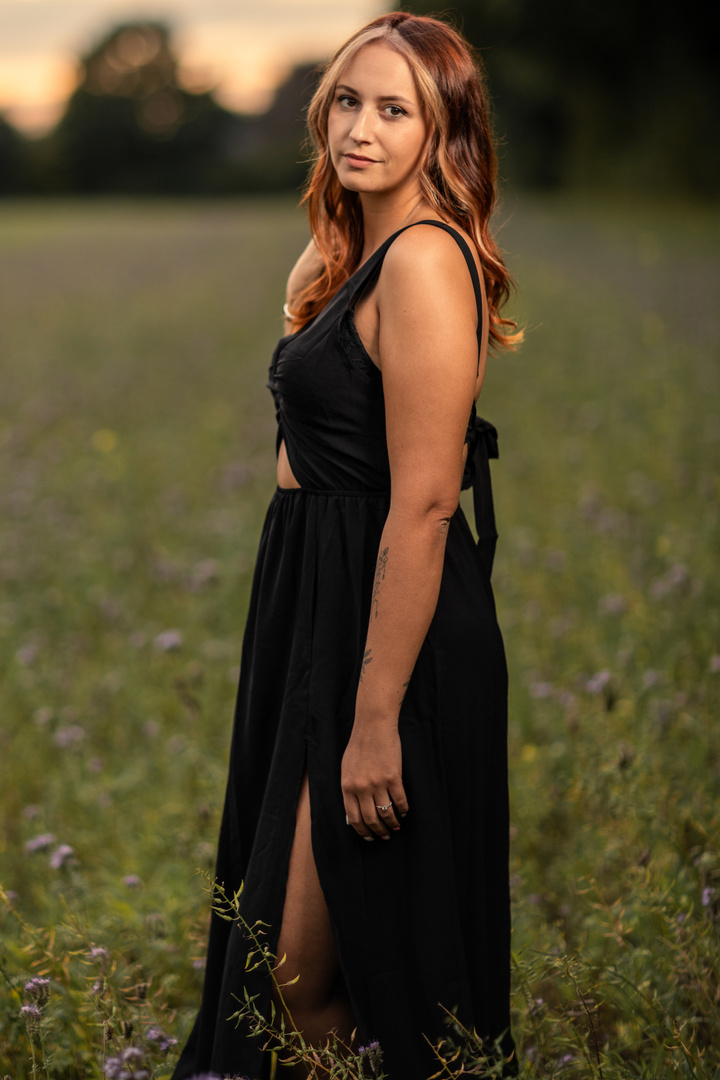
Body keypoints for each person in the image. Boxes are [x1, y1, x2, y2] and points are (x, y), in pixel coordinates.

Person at [172, 11, 521, 1080]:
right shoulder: (349, 255)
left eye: (394, 108)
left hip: (387, 624)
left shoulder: (423, 261)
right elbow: (308, 448)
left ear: (444, 129)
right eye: (347, 103)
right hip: (314, 604)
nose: (359, 128)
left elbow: (420, 506)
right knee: (305, 956)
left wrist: (374, 722)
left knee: (310, 969)